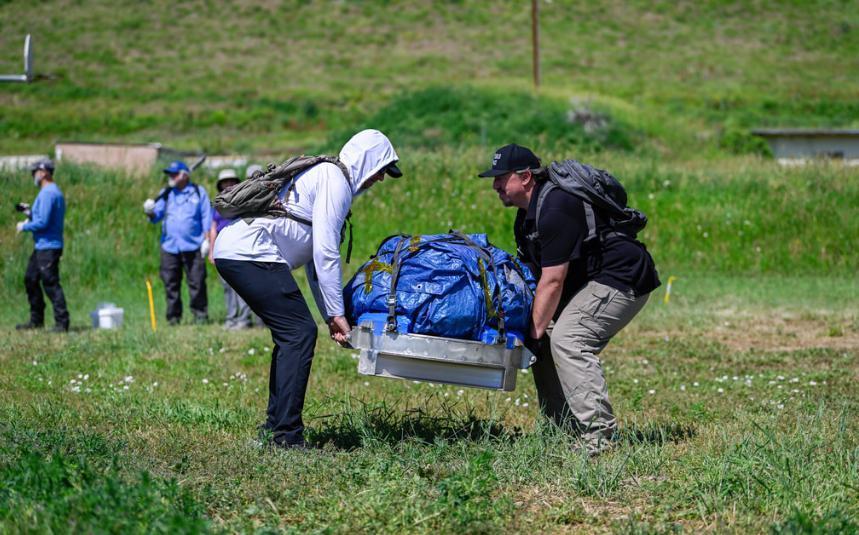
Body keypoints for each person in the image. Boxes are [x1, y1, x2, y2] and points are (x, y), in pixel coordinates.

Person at [212, 129, 402, 449]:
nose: (381, 179)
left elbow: (316, 264)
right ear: (368, 162)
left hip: (239, 252)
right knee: (298, 334)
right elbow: (326, 251)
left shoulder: (329, 177)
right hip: (250, 253)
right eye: (381, 170)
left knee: (294, 333)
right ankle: (285, 436)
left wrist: (331, 314)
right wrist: (337, 313)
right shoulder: (335, 179)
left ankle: (275, 428)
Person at [478, 144, 660, 455]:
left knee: (569, 338)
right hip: (590, 280)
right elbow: (535, 278)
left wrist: (533, 334)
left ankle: (598, 439)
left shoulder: (557, 207)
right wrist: (525, 329)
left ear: (524, 177)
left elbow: (553, 280)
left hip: (623, 277)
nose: (494, 185)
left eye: (500, 177)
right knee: (545, 337)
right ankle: (560, 430)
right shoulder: (525, 218)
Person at [143, 160, 213, 325]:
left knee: (196, 282)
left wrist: (207, 241)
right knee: (170, 283)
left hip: (194, 245)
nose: (170, 176)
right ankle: (173, 317)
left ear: (184, 174)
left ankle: (200, 315)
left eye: (174, 173)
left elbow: (206, 217)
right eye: (169, 173)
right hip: (170, 246)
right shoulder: (166, 193)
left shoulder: (198, 192)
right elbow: (156, 217)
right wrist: (150, 211)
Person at [15, 159, 70, 333]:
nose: (33, 175)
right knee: (30, 279)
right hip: (42, 246)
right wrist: (28, 212)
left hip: (48, 246)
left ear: (44, 172)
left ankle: (62, 323)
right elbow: (43, 217)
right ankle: (36, 320)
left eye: (35, 172)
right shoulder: (52, 192)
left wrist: (24, 226)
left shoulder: (48, 193)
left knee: (50, 283)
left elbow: (43, 223)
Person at [208, 168, 257, 330]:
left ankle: (244, 319)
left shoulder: (243, 201)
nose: (228, 184)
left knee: (241, 286)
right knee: (227, 287)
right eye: (225, 182)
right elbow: (213, 227)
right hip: (223, 251)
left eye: (232, 181)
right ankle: (231, 318)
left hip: (240, 248)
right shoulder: (218, 203)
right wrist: (211, 250)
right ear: (220, 185)